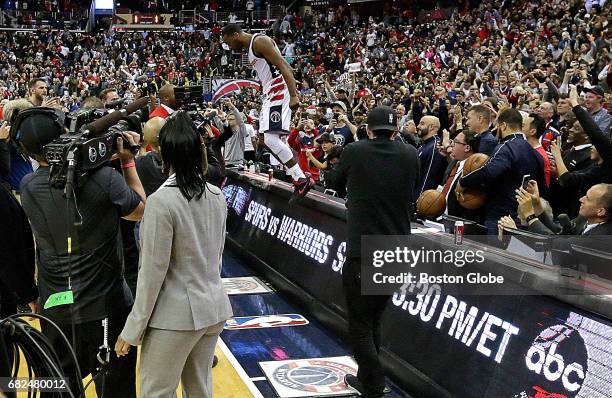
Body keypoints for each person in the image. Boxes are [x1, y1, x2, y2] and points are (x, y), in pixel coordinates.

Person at [15, 107, 145, 397]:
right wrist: (126, 162)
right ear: (64, 135)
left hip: (56, 307)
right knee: (116, 389)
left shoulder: (28, 186)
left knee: (60, 388)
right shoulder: (104, 178)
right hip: (107, 306)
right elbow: (139, 210)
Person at [116, 111, 232, 397]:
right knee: (200, 390)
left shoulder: (161, 202)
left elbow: (152, 272)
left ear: (162, 155)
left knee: (156, 392)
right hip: (213, 308)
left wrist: (132, 329)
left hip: (175, 316)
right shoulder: (218, 196)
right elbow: (216, 257)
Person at [325, 106, 419, 398]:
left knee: (359, 326)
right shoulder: (411, 155)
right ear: (395, 131)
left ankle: (376, 384)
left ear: (368, 129)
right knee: (374, 318)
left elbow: (334, 184)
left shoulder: (355, 150)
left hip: (364, 251)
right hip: (396, 251)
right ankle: (367, 382)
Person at [222, 23, 315, 201]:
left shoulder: (259, 41)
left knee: (270, 139)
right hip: (270, 93)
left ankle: (301, 178)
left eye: (228, 42)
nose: (229, 47)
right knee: (265, 140)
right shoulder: (251, 47)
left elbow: (284, 67)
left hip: (279, 91)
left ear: (235, 35)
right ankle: (299, 177)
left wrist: (294, 95)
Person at [458, 108, 545, 235]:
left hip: (500, 217)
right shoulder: (536, 154)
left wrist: (463, 181)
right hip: (523, 218)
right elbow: (541, 188)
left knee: (493, 253)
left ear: (503, 126)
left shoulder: (506, 146)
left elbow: (489, 172)